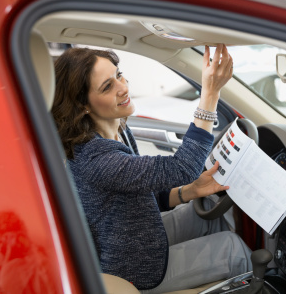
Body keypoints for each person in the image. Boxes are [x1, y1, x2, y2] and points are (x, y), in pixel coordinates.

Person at [51, 44, 252, 293]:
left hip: (138, 237)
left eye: (118, 75)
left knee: (207, 212)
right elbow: (183, 168)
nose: (123, 87)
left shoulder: (117, 129)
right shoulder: (97, 158)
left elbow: (139, 193)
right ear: (83, 106)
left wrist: (189, 191)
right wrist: (210, 94)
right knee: (236, 249)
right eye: (107, 86)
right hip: (134, 268)